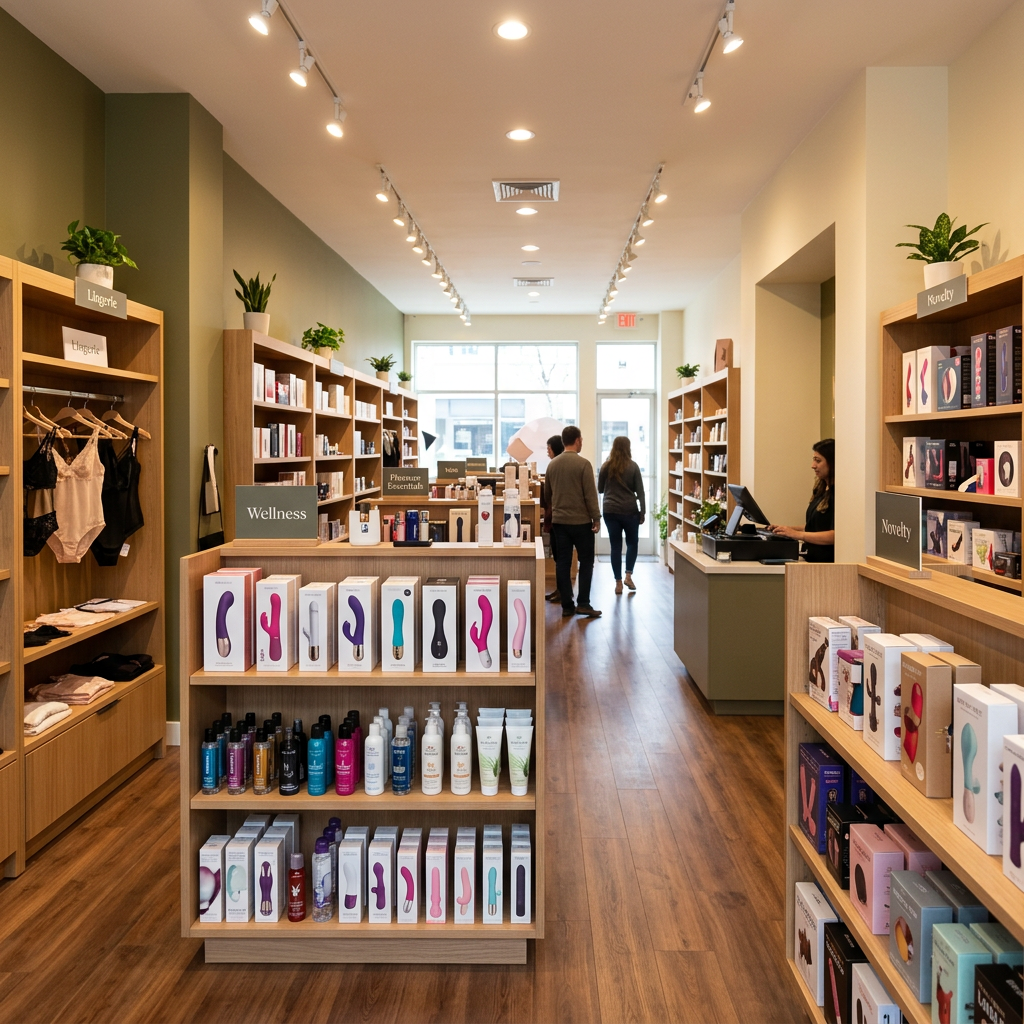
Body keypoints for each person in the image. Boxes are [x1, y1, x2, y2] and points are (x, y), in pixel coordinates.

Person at [543, 425, 602, 618]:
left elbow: (547, 495)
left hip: (560, 522)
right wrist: (596, 518)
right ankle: (583, 603)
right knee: (586, 562)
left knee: (563, 563)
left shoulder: (552, 465)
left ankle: (567, 605)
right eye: (581, 439)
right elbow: (590, 495)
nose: (582, 442)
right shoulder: (583, 464)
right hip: (581, 522)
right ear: (577, 440)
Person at [769, 438, 835, 562]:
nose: (813, 465)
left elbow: (836, 535)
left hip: (826, 563)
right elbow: (816, 526)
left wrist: (797, 535)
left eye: (818, 461)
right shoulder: (821, 489)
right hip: (811, 557)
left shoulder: (840, 495)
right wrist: (787, 529)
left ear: (832, 463)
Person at [598, 436, 646, 594]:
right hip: (629, 511)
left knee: (615, 546)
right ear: (628, 448)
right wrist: (642, 511)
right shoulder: (633, 466)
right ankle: (628, 576)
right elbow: (640, 492)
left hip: (610, 510)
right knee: (632, 543)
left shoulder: (606, 466)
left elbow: (600, 489)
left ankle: (618, 582)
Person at [542, 434, 565, 603]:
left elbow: (547, 495)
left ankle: (563, 591)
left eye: (548, 448)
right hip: (565, 517)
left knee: (559, 556)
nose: (547, 452)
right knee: (560, 556)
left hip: (557, 516)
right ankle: (562, 590)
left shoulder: (554, 466)